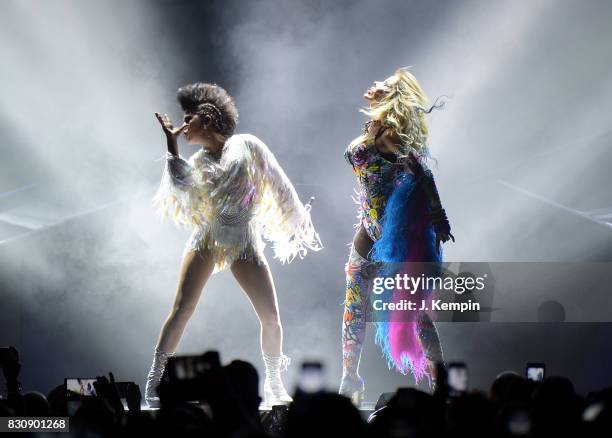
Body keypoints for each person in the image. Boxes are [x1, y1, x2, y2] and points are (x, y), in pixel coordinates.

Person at [146, 82, 322, 407]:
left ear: (208, 118)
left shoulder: (245, 146)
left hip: (243, 242)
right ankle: (155, 382)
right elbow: (188, 193)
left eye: (188, 119)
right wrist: (172, 146)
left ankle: (273, 382)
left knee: (270, 317)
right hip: (208, 239)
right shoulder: (198, 161)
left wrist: (297, 221)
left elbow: (261, 179)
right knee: (183, 308)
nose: (182, 127)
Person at [339, 68, 454, 405]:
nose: (373, 83)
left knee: (415, 312)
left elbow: (423, 172)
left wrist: (439, 216)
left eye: (383, 84)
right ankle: (349, 379)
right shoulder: (373, 128)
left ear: (391, 96)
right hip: (368, 231)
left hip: (395, 237)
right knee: (353, 307)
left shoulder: (389, 134)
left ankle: (441, 384)